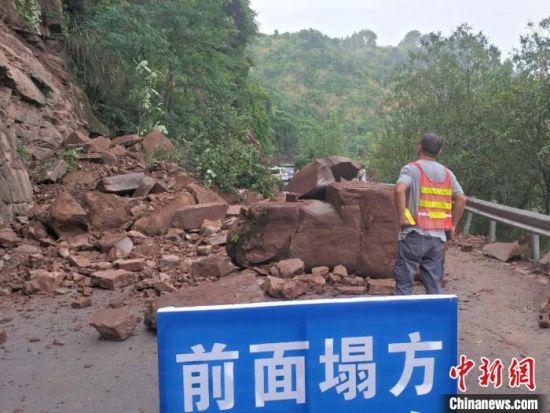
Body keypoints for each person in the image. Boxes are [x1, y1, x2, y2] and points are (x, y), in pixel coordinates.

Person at [393, 133, 467, 295]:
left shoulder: (411, 169)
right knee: (434, 285)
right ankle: (434, 319)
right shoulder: (448, 173)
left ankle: (404, 318)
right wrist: (452, 225)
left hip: (413, 234)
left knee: (404, 284)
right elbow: (461, 199)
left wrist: (401, 217)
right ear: (439, 152)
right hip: (438, 239)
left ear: (419, 147)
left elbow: (399, 189)